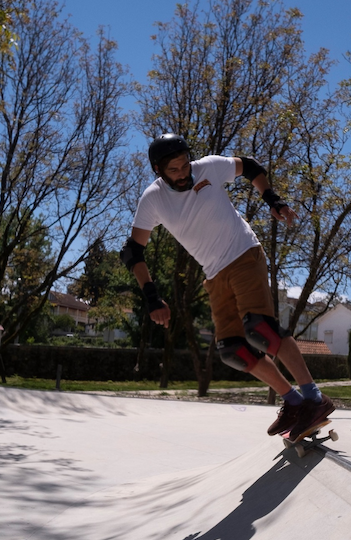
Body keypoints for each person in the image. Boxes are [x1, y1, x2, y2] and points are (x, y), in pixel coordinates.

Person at [121, 133, 335, 437]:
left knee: (261, 329)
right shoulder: (152, 199)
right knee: (234, 350)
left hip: (244, 253)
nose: (183, 174)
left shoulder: (208, 167)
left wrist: (272, 199)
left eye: (185, 166)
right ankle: (294, 402)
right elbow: (133, 251)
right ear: (158, 170)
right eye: (174, 171)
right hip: (214, 274)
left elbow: (249, 166)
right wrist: (152, 297)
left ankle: (314, 399)